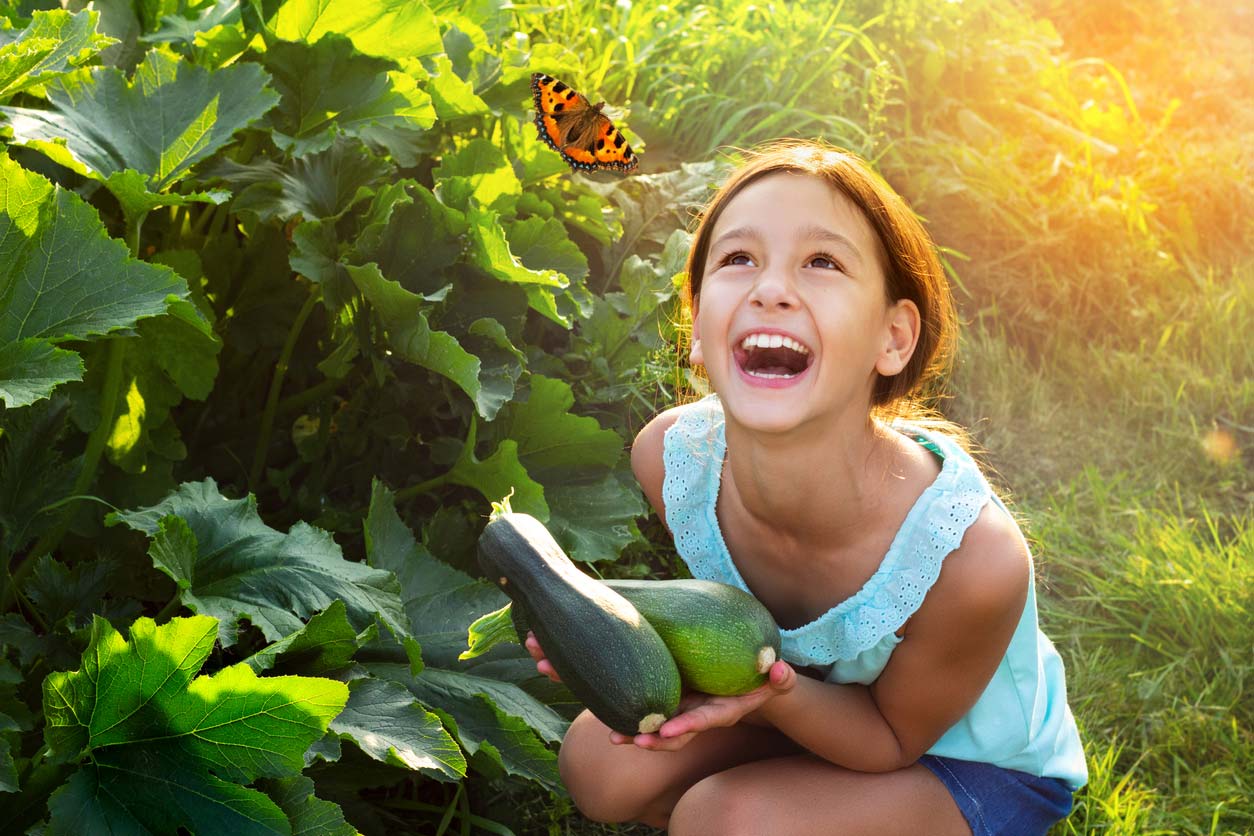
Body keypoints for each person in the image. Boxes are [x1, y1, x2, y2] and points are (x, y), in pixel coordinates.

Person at [524, 139, 1088, 836]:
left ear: (893, 337)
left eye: (822, 262)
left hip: (957, 759)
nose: (770, 288)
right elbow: (724, 635)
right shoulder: (672, 462)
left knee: (724, 822)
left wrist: (764, 698)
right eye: (738, 260)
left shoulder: (971, 563)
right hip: (807, 702)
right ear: (698, 330)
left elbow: (889, 738)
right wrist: (591, 617)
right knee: (597, 766)